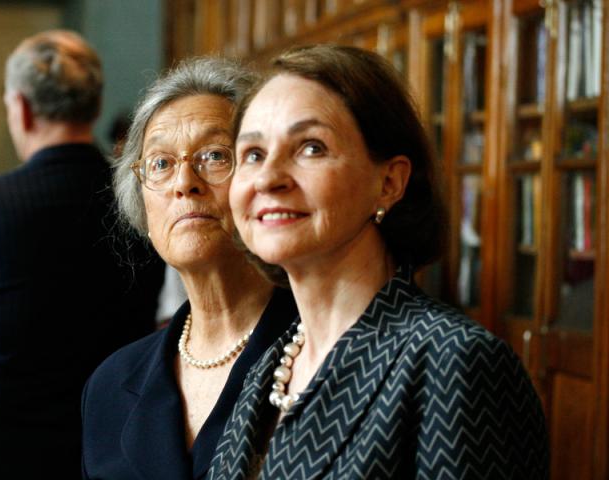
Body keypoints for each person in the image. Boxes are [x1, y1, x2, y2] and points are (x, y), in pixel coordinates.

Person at [208, 45, 549, 479]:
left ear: (389, 182)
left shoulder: (454, 362)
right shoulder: (269, 366)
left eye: (311, 148)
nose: (268, 178)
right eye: (253, 154)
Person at [81, 57, 298, 480]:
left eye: (214, 155)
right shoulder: (110, 385)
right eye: (161, 163)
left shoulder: (325, 351)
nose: (184, 182)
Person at [0, 30, 165, 479]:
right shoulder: (141, 199)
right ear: (95, 106)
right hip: (113, 447)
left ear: (20, 108)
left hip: (3, 457)